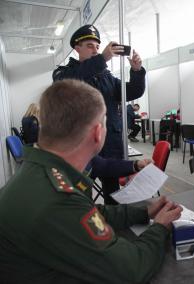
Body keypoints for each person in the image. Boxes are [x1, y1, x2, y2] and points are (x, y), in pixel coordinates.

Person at [0, 79, 182, 282]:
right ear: (97, 132)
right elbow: (131, 269)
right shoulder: (58, 199)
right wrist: (160, 226)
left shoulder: (41, 171)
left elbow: (90, 213)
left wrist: (144, 212)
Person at [52, 24, 146, 205]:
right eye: (89, 46)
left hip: (110, 143)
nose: (95, 50)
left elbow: (132, 91)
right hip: (81, 147)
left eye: (97, 46)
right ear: (76, 48)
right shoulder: (65, 73)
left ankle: (114, 228)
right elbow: (72, 80)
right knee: (81, 195)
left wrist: (136, 71)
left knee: (113, 195)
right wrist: (103, 57)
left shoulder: (106, 77)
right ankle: (85, 230)